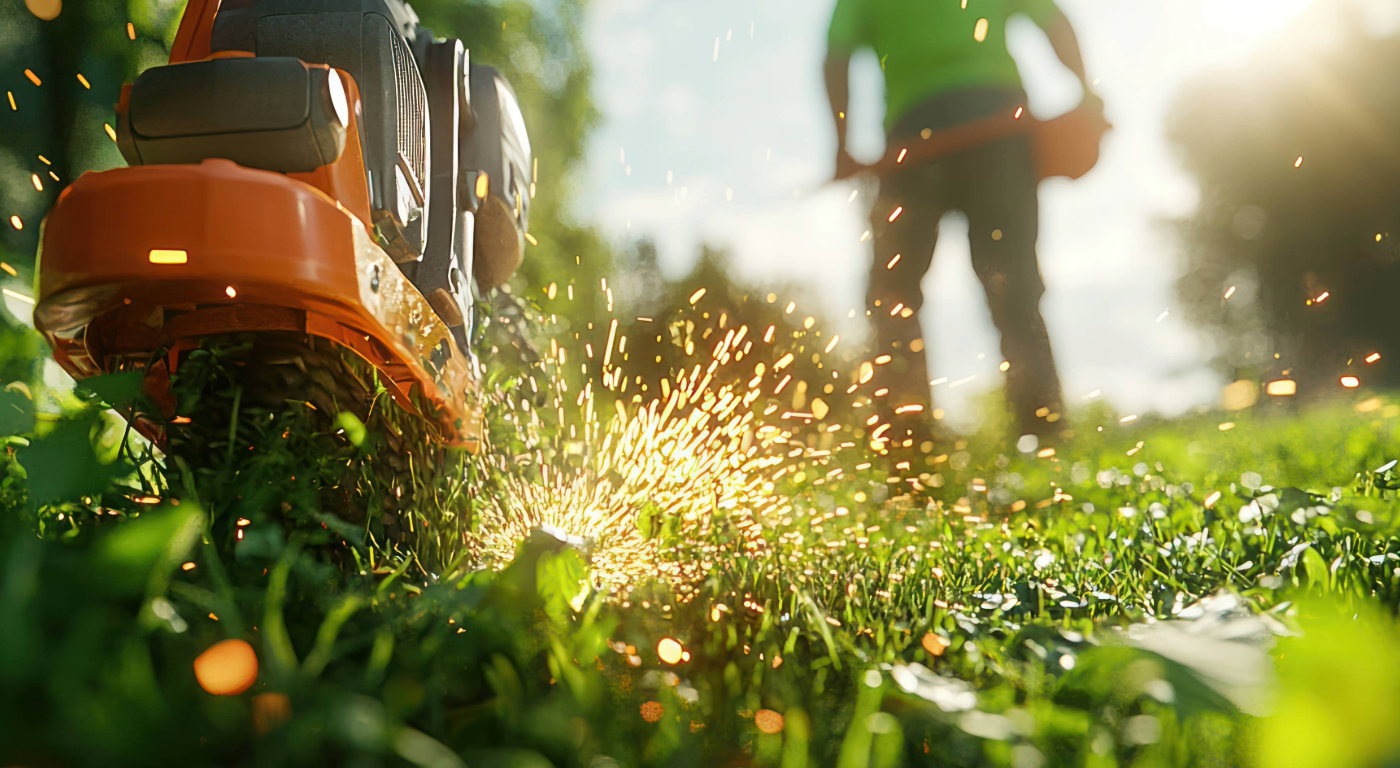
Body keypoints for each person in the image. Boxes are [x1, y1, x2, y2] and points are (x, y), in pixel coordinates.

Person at [824, 0, 1098, 449]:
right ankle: (1043, 432)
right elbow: (1053, 20)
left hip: (915, 137)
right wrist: (1085, 90)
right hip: (997, 127)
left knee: (894, 294)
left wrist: (841, 144)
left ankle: (907, 445)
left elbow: (836, 57)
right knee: (1012, 282)